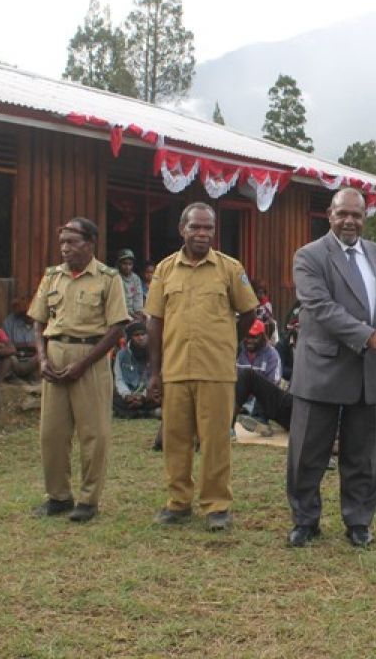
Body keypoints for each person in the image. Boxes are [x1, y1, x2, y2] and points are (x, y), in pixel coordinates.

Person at [285, 188, 376, 549]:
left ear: (365, 216)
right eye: (342, 214)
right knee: (308, 452)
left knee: (364, 455)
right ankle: (305, 520)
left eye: (356, 215)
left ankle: (358, 521)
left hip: (369, 372)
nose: (349, 221)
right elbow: (321, 308)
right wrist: (370, 336)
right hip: (322, 369)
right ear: (329, 214)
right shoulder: (309, 256)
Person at [146, 202, 258, 533]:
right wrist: (155, 371)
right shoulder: (165, 270)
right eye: (195, 227)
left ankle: (216, 505)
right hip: (176, 369)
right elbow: (154, 320)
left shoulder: (229, 268)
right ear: (182, 229)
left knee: (215, 441)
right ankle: (178, 503)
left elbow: (249, 313)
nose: (202, 233)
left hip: (216, 370)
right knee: (176, 438)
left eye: (208, 228)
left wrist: (226, 342)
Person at [28, 217, 128, 523]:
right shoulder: (52, 277)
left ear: (90, 243)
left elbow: (117, 328)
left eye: (72, 242)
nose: (65, 248)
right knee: (52, 434)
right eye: (62, 242)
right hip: (54, 356)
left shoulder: (108, 278)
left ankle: (88, 500)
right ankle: (58, 496)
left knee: (93, 434)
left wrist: (82, 364)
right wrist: (42, 360)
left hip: (91, 359)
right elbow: (38, 320)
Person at [113, 320, 156, 419]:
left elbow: (158, 376)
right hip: (130, 396)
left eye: (143, 334)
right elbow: (119, 379)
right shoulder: (121, 355)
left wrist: (143, 397)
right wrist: (127, 395)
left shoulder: (155, 353)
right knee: (113, 400)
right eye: (136, 335)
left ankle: (134, 412)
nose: (141, 338)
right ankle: (146, 412)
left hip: (148, 395)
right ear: (130, 338)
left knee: (162, 397)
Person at [1, 296, 40, 383]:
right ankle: (11, 377)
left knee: (44, 355)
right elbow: (5, 344)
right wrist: (27, 345)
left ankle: (33, 376)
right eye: (28, 313)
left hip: (33, 358)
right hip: (16, 357)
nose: (31, 317)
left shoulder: (42, 323)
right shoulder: (9, 322)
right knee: (8, 357)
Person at [237, 318, 281, 385]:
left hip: (263, 394)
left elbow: (272, 385)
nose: (249, 340)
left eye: (254, 337)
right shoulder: (237, 352)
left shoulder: (272, 355)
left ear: (263, 337)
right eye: (247, 336)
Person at [116, 248, 147, 321]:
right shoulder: (114, 277)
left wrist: (138, 312)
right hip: (118, 313)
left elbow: (138, 297)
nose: (127, 267)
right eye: (124, 263)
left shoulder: (135, 279)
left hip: (134, 313)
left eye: (130, 264)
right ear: (119, 263)